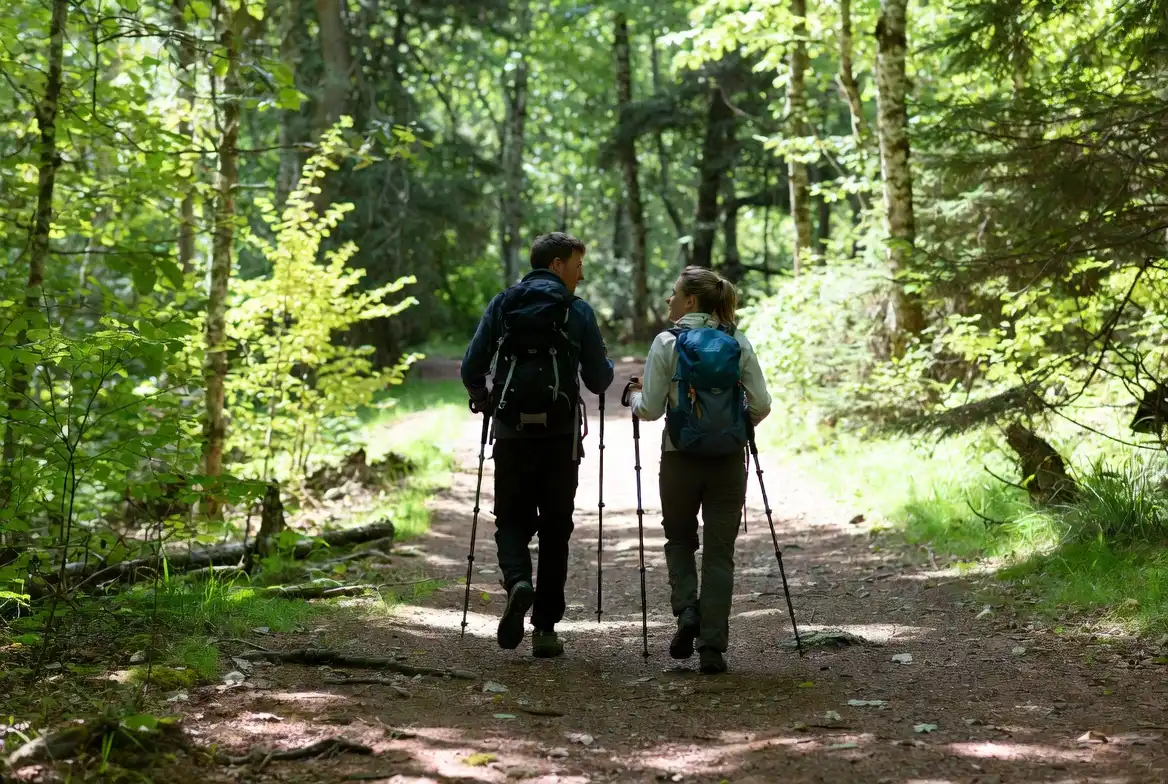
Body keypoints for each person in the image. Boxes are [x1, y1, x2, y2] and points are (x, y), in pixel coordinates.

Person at [462, 232, 614, 658]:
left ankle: (517, 582)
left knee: (510, 519)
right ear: (556, 265)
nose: (581, 276)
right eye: (577, 266)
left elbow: (471, 365)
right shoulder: (575, 311)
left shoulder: (503, 303)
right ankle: (545, 629)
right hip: (560, 439)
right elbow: (599, 380)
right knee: (555, 529)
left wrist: (482, 397)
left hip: (511, 433)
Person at [625, 266, 771, 674]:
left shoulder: (666, 342)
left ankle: (687, 610)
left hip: (679, 458)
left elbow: (651, 410)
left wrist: (635, 397)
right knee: (721, 553)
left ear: (690, 300)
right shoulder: (736, 341)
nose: (668, 301)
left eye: (673, 294)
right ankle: (712, 648)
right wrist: (732, 428)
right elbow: (761, 404)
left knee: (679, 540)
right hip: (727, 462)